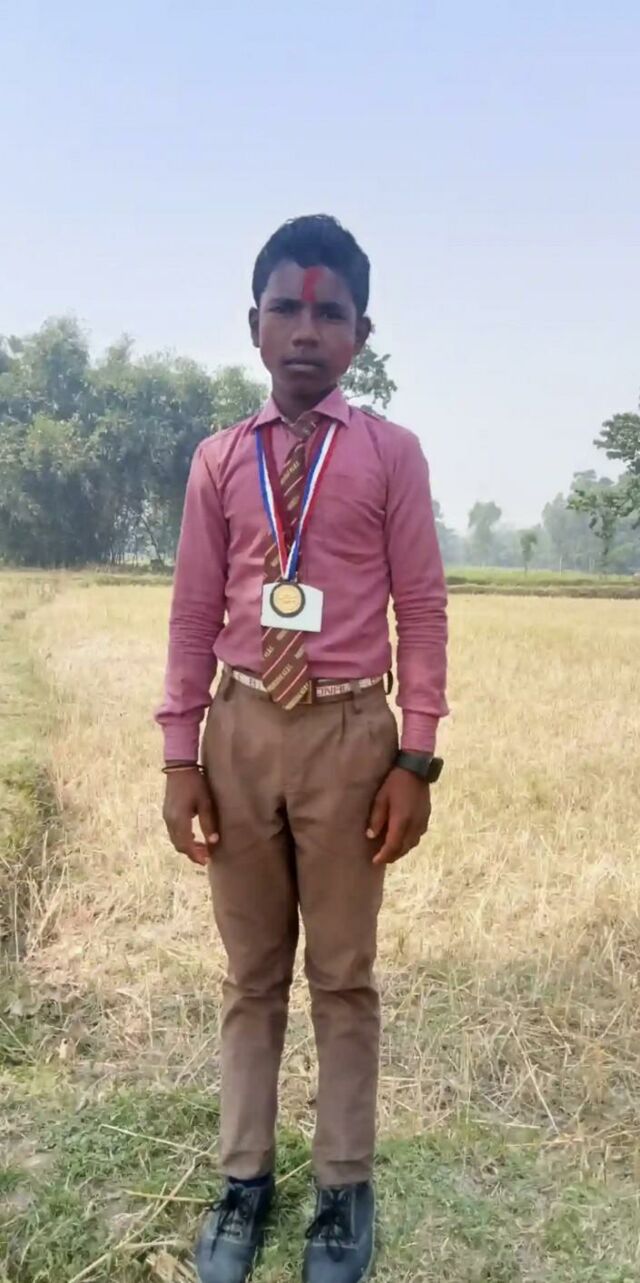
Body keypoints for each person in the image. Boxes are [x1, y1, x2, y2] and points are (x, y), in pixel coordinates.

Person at [156, 214, 448, 1283]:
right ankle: (244, 1177)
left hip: (350, 734)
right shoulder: (218, 460)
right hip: (238, 730)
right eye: (286, 307)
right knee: (250, 973)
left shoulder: (389, 455)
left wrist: (415, 757)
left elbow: (422, 607)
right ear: (254, 325)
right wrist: (180, 755)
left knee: (343, 973)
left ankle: (343, 1185)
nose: (306, 330)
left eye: (330, 312)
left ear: (361, 332)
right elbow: (194, 614)